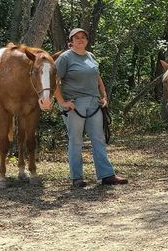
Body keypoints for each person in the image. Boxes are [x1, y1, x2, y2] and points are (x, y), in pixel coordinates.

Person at [54, 27, 127, 187]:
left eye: (83, 37)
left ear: (87, 40)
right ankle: (77, 177)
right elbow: (54, 81)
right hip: (74, 104)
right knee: (76, 140)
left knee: (99, 139)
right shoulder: (65, 58)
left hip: (94, 103)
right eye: (76, 38)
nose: (80, 40)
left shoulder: (90, 56)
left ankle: (106, 175)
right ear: (71, 41)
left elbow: (97, 77)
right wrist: (62, 102)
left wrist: (104, 95)